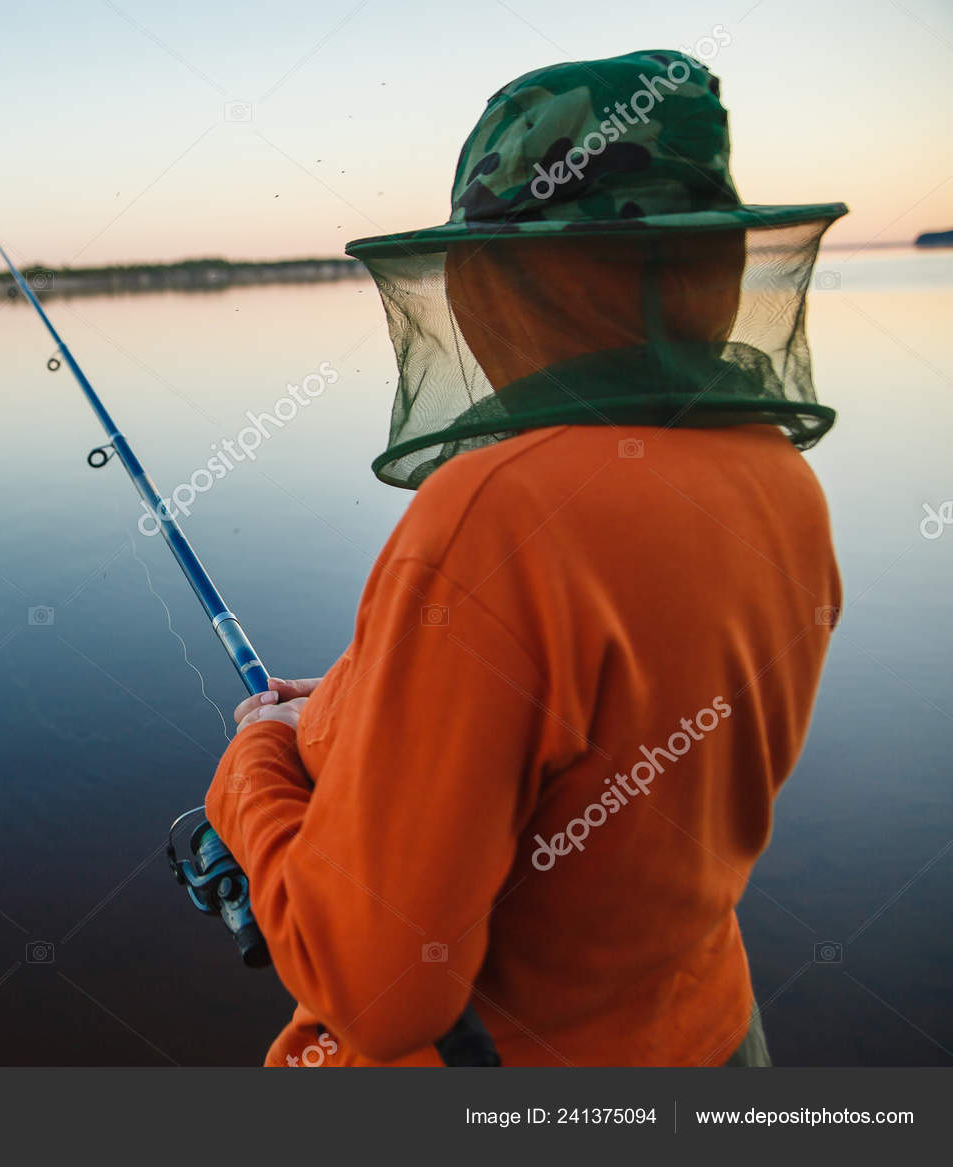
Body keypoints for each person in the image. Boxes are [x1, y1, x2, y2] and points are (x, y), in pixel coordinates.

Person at [205, 49, 846, 1067]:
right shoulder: (774, 480)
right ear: (704, 267)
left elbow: (379, 992)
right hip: (713, 1038)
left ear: (499, 283)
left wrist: (253, 760)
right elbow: (600, 721)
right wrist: (351, 703)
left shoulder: (495, 513)